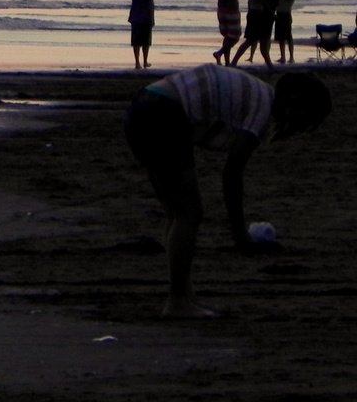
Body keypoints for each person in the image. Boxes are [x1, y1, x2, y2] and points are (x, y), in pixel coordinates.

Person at [123, 65, 329, 317]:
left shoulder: (259, 94)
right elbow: (232, 172)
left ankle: (184, 296)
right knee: (189, 213)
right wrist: (240, 233)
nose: (303, 127)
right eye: (308, 118)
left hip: (144, 105)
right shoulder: (262, 108)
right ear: (295, 103)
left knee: (178, 214)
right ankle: (177, 301)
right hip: (163, 113)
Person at [230, 0, 275, 71]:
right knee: (253, 41)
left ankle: (269, 65)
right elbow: (263, 1)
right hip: (256, 15)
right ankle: (234, 62)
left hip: (254, 14)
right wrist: (272, 14)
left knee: (256, 41)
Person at [128, 0, 155, 70]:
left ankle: (137, 62)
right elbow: (150, 3)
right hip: (146, 16)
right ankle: (145, 61)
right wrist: (153, 18)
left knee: (136, 41)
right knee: (146, 41)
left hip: (135, 15)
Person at [274, 0, 297, 64]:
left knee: (288, 36)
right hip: (279, 14)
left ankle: (291, 57)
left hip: (286, 14)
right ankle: (282, 57)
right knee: (280, 37)